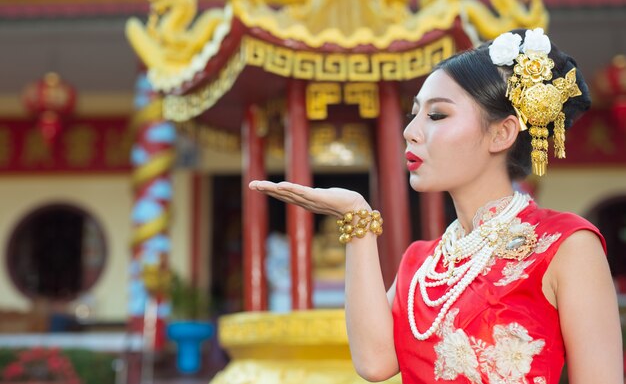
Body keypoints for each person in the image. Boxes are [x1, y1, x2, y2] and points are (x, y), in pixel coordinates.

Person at [249, 28, 623, 384]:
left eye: (437, 115)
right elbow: (374, 362)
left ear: (501, 133)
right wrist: (357, 221)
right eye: (414, 113)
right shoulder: (424, 264)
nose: (411, 130)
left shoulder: (565, 245)